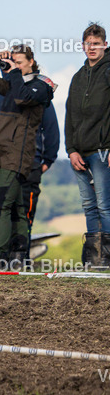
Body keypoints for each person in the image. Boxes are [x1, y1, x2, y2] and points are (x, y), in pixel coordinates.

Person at [0, 46, 55, 269]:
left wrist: (14, 74)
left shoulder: (42, 86)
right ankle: (18, 255)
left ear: (31, 62)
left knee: (2, 204)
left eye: (19, 62)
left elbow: (22, 98)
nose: (15, 67)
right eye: (13, 62)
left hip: (19, 153)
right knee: (18, 206)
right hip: (0, 152)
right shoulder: (12, 85)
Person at [65, 22, 110, 267]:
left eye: (96, 43)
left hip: (103, 150)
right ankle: (95, 259)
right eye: (88, 43)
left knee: (105, 205)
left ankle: (108, 257)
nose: (91, 48)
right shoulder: (78, 77)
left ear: (105, 44)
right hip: (79, 153)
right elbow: (69, 114)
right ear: (83, 46)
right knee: (88, 205)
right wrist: (70, 149)